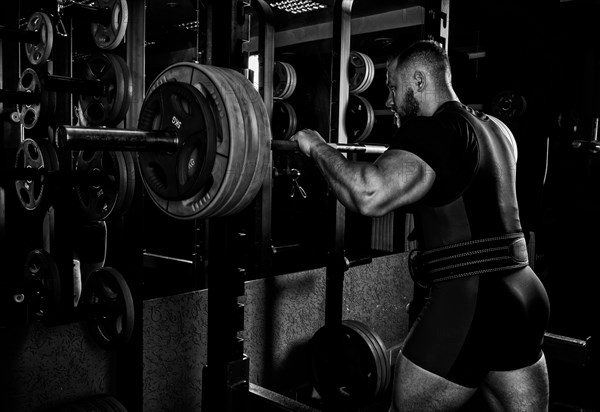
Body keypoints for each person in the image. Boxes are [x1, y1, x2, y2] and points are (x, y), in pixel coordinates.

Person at [290, 40, 551, 412]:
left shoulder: (433, 131)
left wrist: (316, 147)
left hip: (470, 302)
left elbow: (368, 194)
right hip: (524, 296)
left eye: (394, 88)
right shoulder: (498, 130)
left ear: (418, 80)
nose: (390, 101)